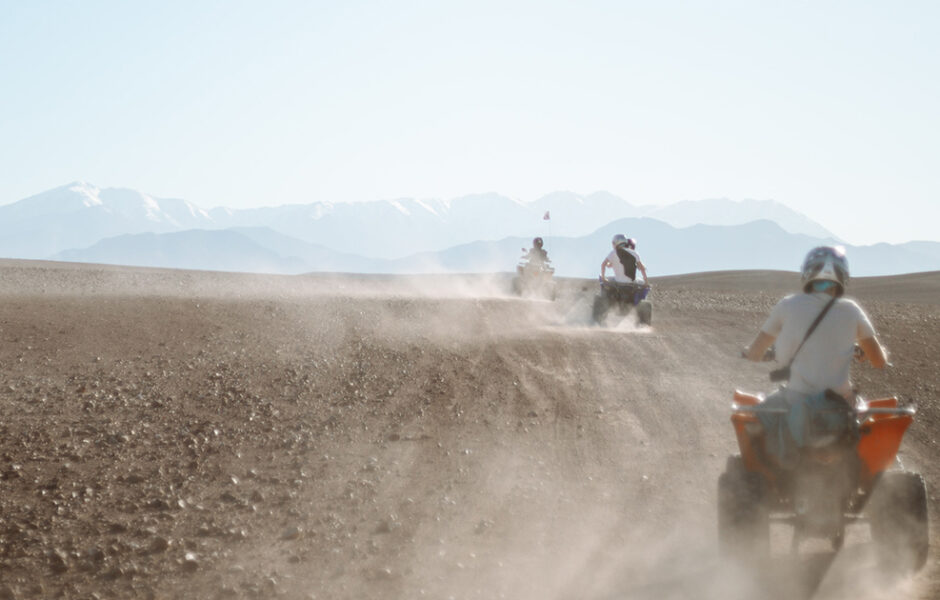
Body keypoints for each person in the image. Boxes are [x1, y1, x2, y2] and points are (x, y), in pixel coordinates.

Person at [741, 245, 888, 467]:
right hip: (840, 403)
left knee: (755, 417)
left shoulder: (788, 305)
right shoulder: (851, 310)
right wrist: (871, 353)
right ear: (842, 276)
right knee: (868, 419)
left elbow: (755, 353)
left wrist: (752, 353)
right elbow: (879, 361)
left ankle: (766, 476)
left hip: (795, 399)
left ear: (807, 274)